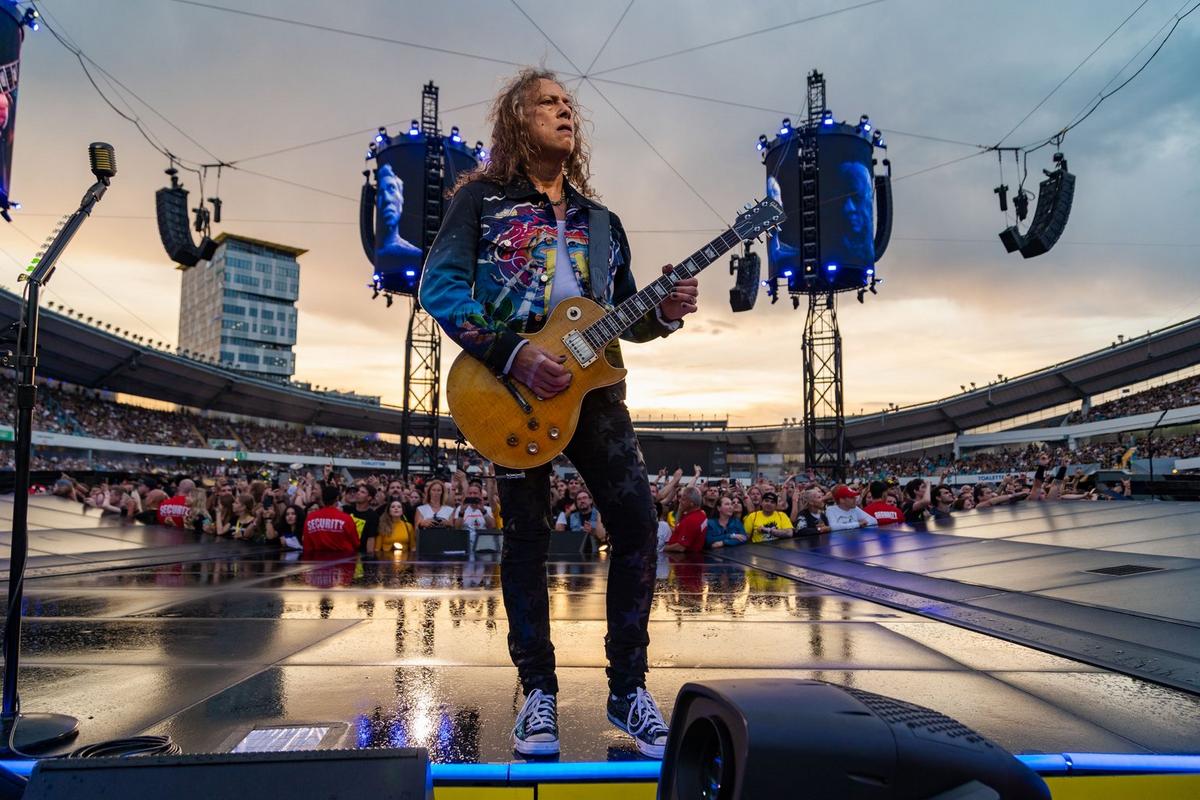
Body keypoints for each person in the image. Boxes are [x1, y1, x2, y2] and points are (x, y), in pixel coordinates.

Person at [419, 67, 698, 758]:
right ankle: (538, 692)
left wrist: (663, 313)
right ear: (517, 119)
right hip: (506, 387)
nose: (564, 111)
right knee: (526, 537)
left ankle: (628, 690)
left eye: (569, 103)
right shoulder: (480, 202)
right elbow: (441, 286)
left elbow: (622, 316)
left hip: (594, 397)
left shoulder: (604, 224)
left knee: (638, 528)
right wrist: (511, 354)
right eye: (547, 102)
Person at [302, 484, 360, 556]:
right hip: (343, 560)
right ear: (337, 498)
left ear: (322, 498)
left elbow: (307, 545)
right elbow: (356, 543)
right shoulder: (346, 518)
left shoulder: (310, 518)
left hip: (317, 560)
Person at [454, 481, 497, 553]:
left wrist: (483, 510)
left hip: (483, 545)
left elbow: (492, 526)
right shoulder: (460, 508)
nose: (472, 496)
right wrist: (462, 511)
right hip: (465, 544)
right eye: (470, 493)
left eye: (475, 493)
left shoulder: (487, 509)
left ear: (480, 494)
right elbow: (457, 528)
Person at [663, 487, 707, 554]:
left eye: (683, 499)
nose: (680, 501)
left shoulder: (691, 520)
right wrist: (680, 510)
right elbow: (677, 528)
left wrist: (662, 548)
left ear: (691, 504)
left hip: (680, 557)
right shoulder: (700, 514)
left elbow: (680, 547)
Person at [343, 484, 380, 554]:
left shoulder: (373, 516)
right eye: (359, 491)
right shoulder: (346, 510)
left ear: (369, 498)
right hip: (344, 551)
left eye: (362, 492)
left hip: (360, 554)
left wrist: (369, 556)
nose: (358, 493)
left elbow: (371, 538)